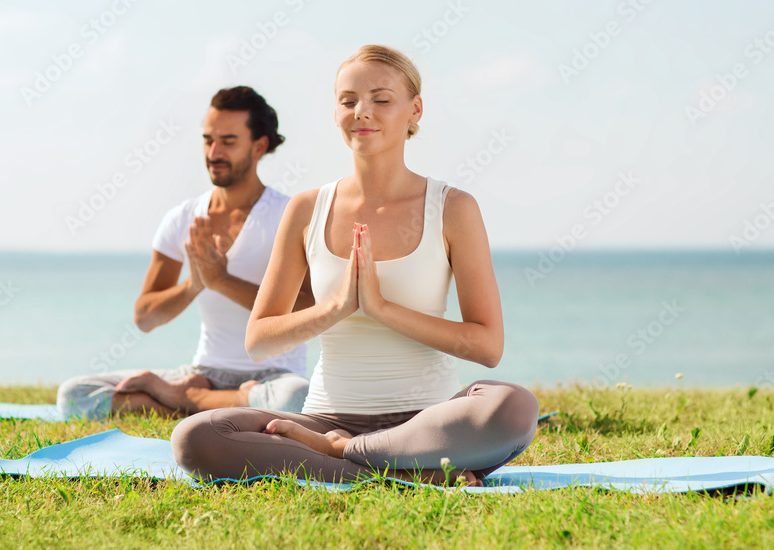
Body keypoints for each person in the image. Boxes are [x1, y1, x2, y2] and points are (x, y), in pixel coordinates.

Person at [171, 46, 539, 485]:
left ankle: (348, 457)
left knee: (513, 407)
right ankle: (406, 473)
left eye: (381, 99)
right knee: (196, 437)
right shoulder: (308, 209)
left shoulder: (453, 208)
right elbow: (259, 340)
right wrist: (335, 308)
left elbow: (487, 346)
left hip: (427, 424)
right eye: (348, 101)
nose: (362, 112)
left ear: (414, 110)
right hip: (325, 418)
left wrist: (382, 308)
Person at [57, 86, 313, 419]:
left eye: (228, 141)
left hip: (273, 378)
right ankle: (204, 399)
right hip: (204, 372)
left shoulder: (288, 215)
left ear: (259, 146)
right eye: (208, 140)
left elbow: (309, 307)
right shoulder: (183, 218)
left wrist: (221, 281)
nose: (214, 151)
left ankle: (183, 400)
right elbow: (145, 317)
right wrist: (194, 285)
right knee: (75, 396)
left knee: (297, 400)